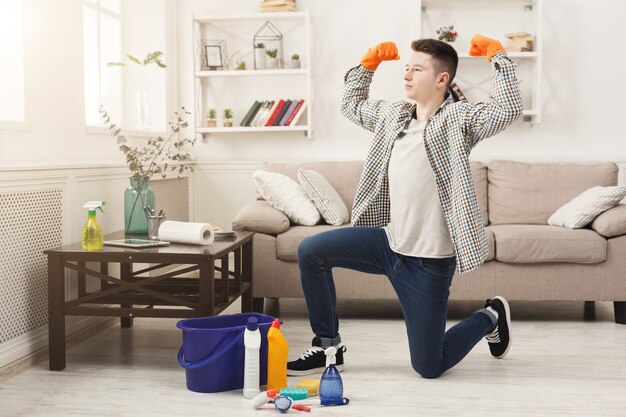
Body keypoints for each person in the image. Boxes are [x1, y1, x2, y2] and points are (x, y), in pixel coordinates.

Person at [286, 35, 522, 378]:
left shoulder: (459, 120)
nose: (407, 75)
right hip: (388, 244)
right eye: (406, 68)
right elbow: (351, 106)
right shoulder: (392, 115)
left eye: (417, 69)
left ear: (442, 79)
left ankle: (491, 317)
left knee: (429, 366)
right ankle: (327, 346)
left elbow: (508, 109)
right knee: (311, 250)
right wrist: (367, 66)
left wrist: (498, 57)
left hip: (429, 264)